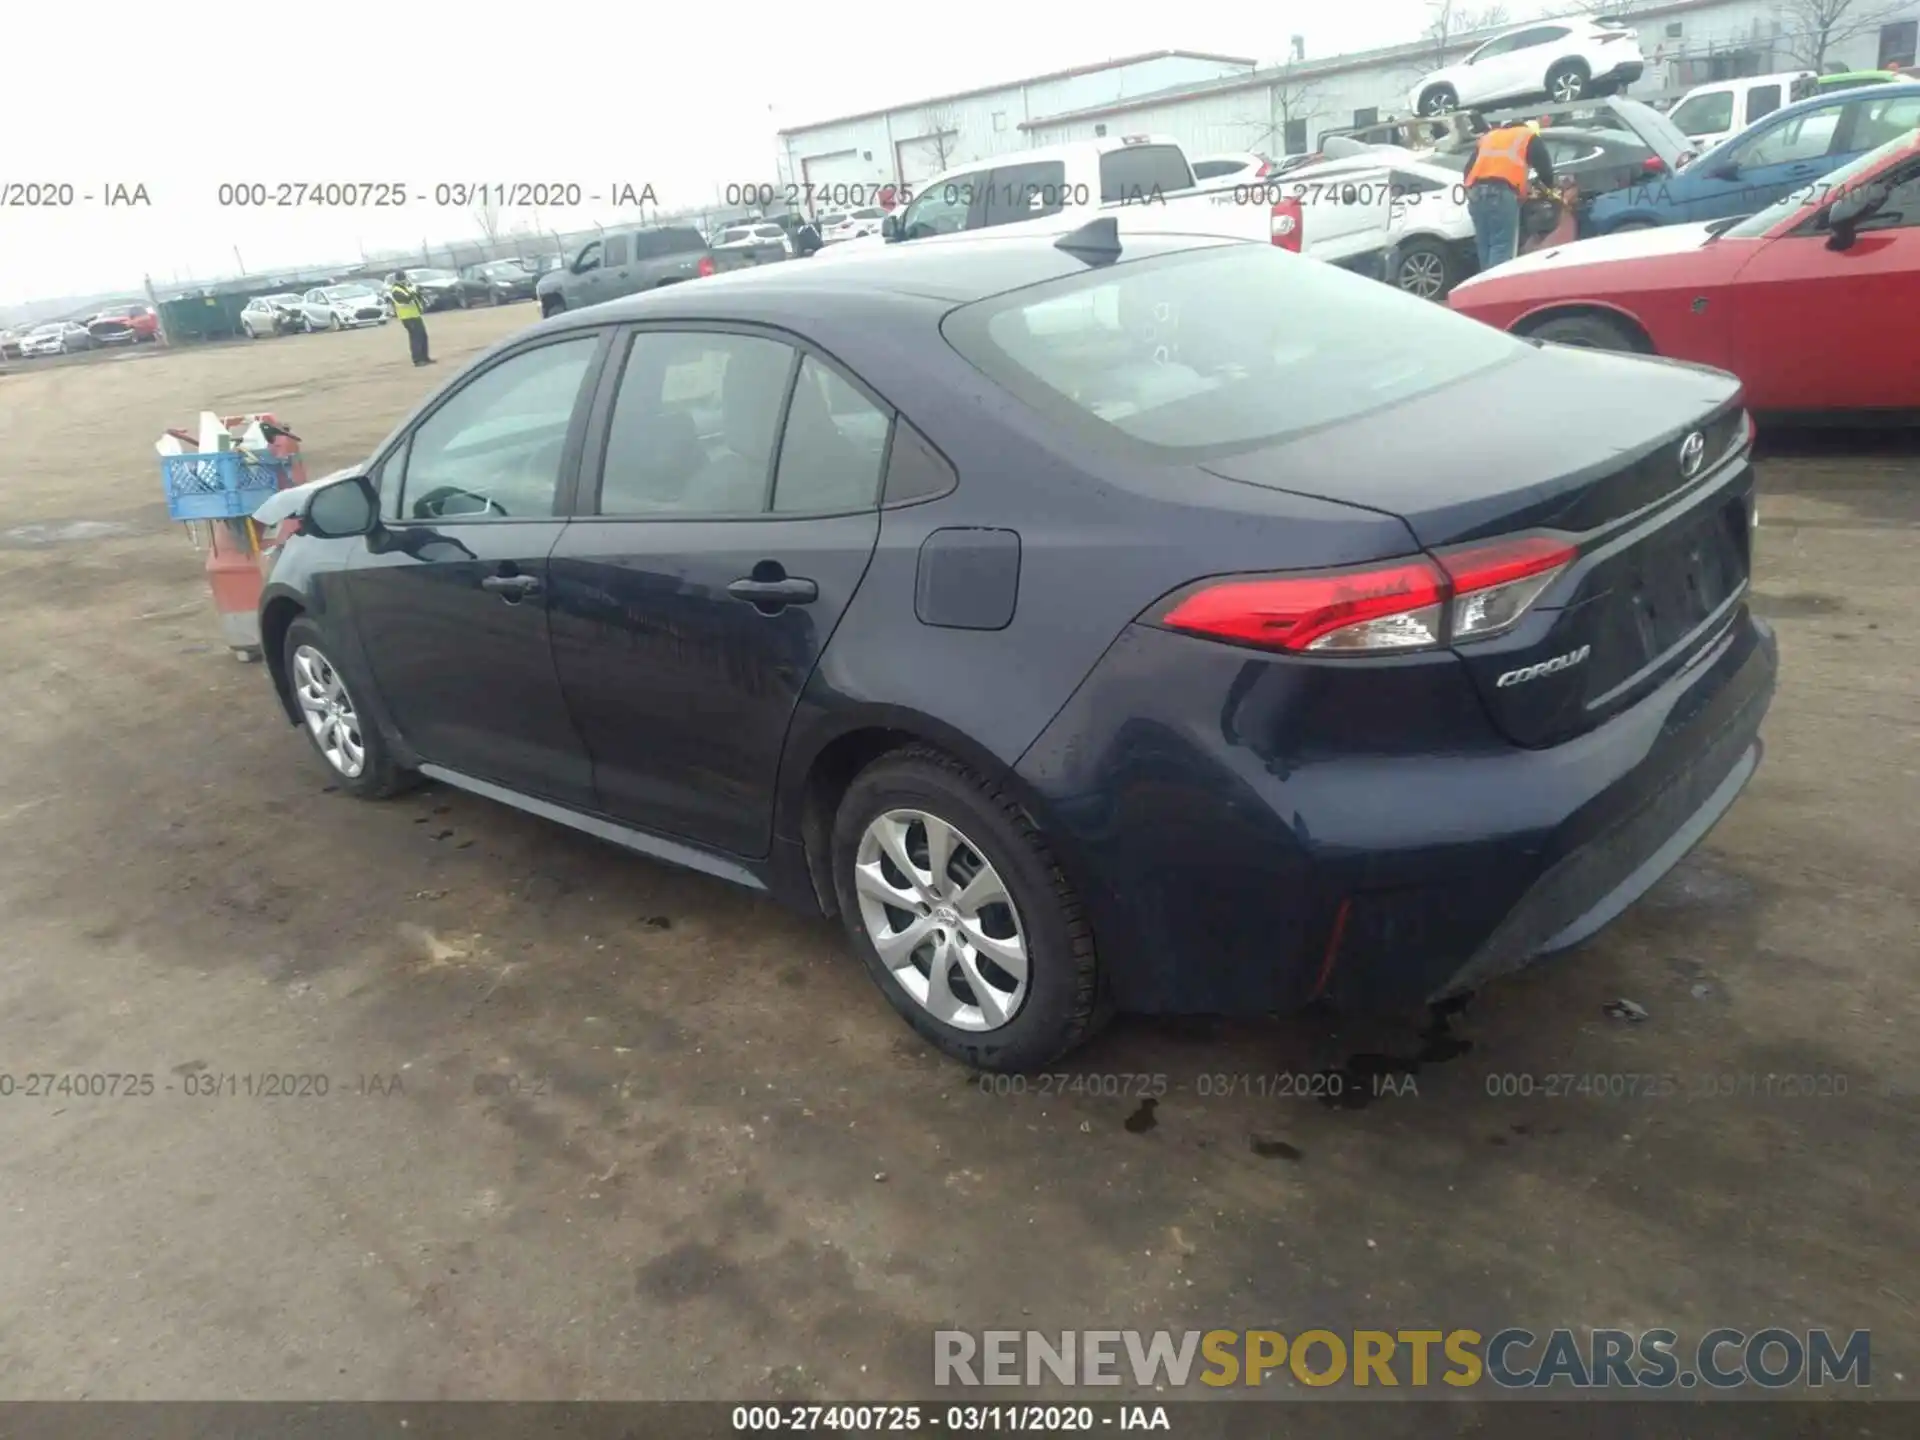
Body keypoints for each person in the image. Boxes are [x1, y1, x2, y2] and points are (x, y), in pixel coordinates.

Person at [1463, 118, 1556, 273]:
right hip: (1501, 194)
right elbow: (1545, 167)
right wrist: (1548, 188)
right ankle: (1497, 290)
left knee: (1485, 245)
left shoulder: (1489, 137)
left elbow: (1467, 170)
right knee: (1502, 246)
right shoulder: (1527, 135)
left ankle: (1484, 289)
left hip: (1476, 194)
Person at [388, 271, 433, 367]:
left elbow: (416, 297)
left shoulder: (406, 287)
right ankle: (417, 360)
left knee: (423, 336)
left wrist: (419, 292)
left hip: (415, 315)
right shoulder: (396, 290)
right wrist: (414, 291)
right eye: (403, 278)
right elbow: (406, 299)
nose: (405, 280)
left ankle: (425, 357)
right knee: (415, 338)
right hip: (407, 318)